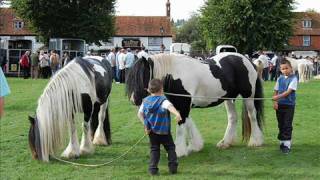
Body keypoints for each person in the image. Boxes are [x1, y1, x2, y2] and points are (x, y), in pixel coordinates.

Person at [137, 79, 182, 175]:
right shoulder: (163, 100)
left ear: (149, 90)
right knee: (170, 148)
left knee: (154, 149)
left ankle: (153, 170)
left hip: (152, 132)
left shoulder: (145, 101)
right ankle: (173, 168)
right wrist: (177, 114)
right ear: (161, 89)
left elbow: (140, 114)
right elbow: (170, 107)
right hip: (164, 132)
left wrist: (146, 125)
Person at [272, 59, 298, 154]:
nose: (285, 70)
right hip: (280, 105)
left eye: (286, 68)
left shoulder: (294, 79)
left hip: (289, 106)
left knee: (287, 124)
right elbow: (276, 90)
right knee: (281, 124)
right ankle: (282, 142)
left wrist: (277, 97)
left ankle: (287, 144)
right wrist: (275, 102)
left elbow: (288, 92)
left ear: (291, 68)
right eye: (282, 69)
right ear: (280, 70)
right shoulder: (280, 78)